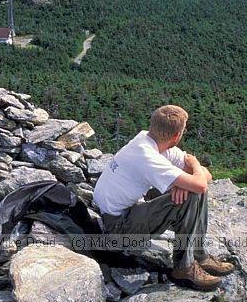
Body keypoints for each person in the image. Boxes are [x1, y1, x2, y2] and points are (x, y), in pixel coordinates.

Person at [92, 105, 234, 291]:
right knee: (191, 194)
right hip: (118, 228)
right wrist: (195, 166)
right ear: (176, 136)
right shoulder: (148, 157)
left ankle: (200, 256)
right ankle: (183, 268)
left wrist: (188, 177)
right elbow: (200, 182)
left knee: (192, 190)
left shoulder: (148, 140)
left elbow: (205, 177)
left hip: (124, 212)